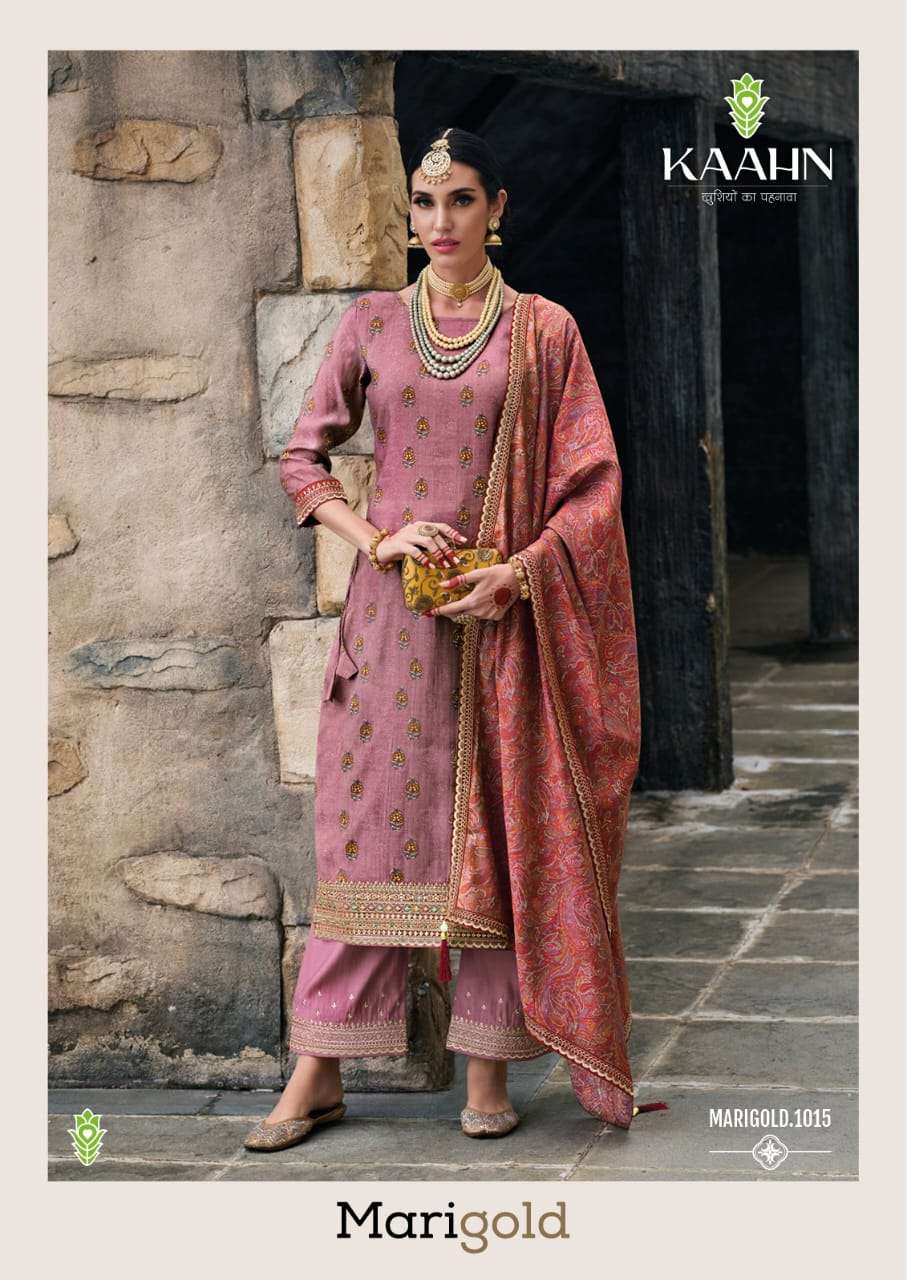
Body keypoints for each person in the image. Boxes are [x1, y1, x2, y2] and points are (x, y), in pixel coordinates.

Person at [244, 126, 661, 1154]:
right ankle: (318, 1070)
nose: (439, 222)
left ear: (497, 207)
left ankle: (486, 1065)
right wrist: (375, 538)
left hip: (502, 630)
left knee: (498, 840)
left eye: (461, 200)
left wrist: (519, 573)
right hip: (389, 631)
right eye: (424, 204)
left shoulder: (545, 331)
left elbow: (593, 487)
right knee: (366, 843)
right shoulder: (373, 324)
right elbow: (302, 459)